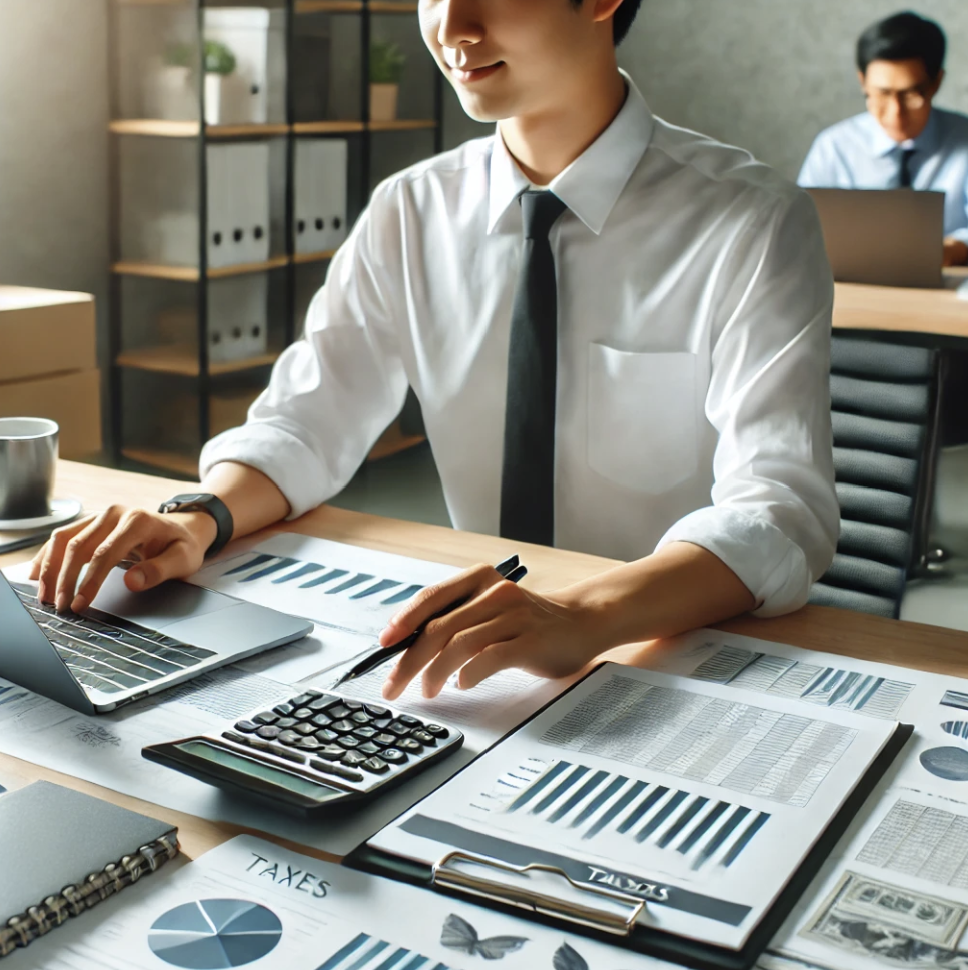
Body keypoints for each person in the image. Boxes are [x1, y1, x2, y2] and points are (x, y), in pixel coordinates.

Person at [34, 0, 839, 701]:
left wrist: (586, 611)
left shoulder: (751, 221)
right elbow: (309, 419)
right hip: (479, 651)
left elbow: (780, 508)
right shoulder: (411, 209)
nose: (451, 27)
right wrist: (201, 516)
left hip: (666, 647)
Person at [798, 10, 968, 267]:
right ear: (862, 82)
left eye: (911, 95)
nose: (895, 113)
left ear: (936, 83)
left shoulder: (963, 140)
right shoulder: (834, 147)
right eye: (881, 94)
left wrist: (952, 249)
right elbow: (801, 229)